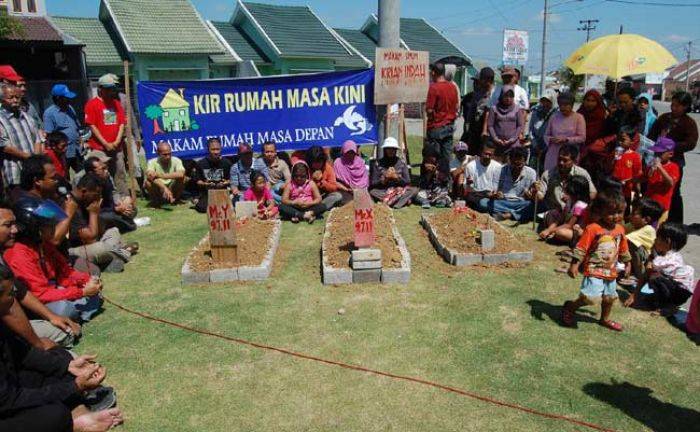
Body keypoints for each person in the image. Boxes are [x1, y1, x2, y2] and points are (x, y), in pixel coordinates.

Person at [0, 265, 124, 432]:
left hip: (10, 390)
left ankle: (78, 413)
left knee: (60, 359)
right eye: (9, 294)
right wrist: (74, 387)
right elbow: (9, 401)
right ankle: (73, 421)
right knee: (54, 416)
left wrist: (67, 366)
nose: (14, 298)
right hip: (6, 403)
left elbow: (24, 354)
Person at [3, 196, 102, 322]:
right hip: (39, 303)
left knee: (92, 290)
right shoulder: (18, 254)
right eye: (47, 225)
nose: (53, 227)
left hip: (54, 291)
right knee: (65, 309)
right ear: (34, 228)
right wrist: (81, 292)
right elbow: (40, 295)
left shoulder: (43, 244)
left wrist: (87, 280)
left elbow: (66, 273)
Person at [0, 202, 81, 349]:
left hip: (43, 301)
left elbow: (21, 291)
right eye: (8, 225)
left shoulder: (40, 245)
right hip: (8, 326)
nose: (15, 230)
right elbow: (12, 308)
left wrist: (52, 317)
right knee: (65, 323)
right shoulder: (18, 252)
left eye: (15, 224)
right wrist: (38, 343)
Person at [562, 190, 631, 331]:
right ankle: (570, 307)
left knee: (609, 298)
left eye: (620, 212)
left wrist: (628, 263)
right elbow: (581, 248)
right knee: (590, 297)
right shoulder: (593, 229)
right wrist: (574, 265)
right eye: (612, 213)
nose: (616, 216)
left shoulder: (620, 229)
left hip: (611, 271)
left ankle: (604, 319)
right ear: (600, 211)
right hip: (594, 270)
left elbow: (623, 248)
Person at [648, 91, 698, 224]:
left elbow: (691, 143)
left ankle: (675, 222)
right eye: (672, 104)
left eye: (677, 106)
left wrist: (672, 146)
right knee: (655, 188)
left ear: (685, 106)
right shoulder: (664, 118)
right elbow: (652, 135)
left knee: (674, 192)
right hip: (658, 158)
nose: (673, 108)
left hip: (675, 161)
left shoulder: (689, 123)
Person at [67, 174, 134, 272]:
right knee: (102, 248)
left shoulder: (85, 201)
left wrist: (96, 213)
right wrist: (93, 214)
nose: (99, 197)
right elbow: (91, 239)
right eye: (97, 193)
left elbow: (101, 231)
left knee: (113, 231)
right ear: (84, 191)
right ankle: (124, 252)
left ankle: (107, 261)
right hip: (73, 250)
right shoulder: (70, 204)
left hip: (91, 246)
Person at [624, 223, 694, 313]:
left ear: (667, 242)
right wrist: (635, 294)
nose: (654, 240)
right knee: (653, 276)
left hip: (680, 293)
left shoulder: (670, 258)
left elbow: (649, 272)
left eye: (657, 238)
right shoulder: (657, 251)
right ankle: (659, 300)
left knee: (655, 277)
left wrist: (649, 263)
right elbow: (646, 275)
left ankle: (670, 305)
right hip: (670, 285)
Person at [83, 74, 128, 196]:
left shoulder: (116, 104)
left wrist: (117, 141)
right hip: (99, 148)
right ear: (100, 89)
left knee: (120, 174)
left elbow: (122, 123)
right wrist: (106, 143)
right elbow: (92, 126)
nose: (110, 92)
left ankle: (124, 198)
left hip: (116, 147)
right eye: (107, 89)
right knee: (101, 175)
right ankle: (106, 199)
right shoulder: (92, 104)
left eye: (112, 89)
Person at [82, 154, 136, 233]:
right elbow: (93, 210)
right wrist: (115, 209)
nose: (106, 170)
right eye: (102, 169)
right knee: (108, 217)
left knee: (132, 209)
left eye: (106, 167)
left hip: (110, 210)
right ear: (91, 172)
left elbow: (110, 198)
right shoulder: (88, 185)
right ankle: (126, 224)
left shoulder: (105, 178)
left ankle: (122, 222)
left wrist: (120, 205)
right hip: (96, 215)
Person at [538, 144, 597, 212]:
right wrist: (536, 193)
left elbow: (593, 193)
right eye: (559, 159)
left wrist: (573, 198)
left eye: (565, 160)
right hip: (553, 213)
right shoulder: (547, 175)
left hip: (575, 212)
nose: (561, 163)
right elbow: (540, 195)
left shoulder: (582, 173)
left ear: (574, 161)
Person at [0, 82, 36, 189]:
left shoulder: (26, 117)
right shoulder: (1, 119)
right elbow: (5, 147)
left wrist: (36, 160)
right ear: (2, 100)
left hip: (32, 168)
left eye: (17, 97)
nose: (15, 100)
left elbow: (37, 139)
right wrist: (30, 157)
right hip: (14, 169)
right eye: (10, 98)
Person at [425, 62, 459, 175]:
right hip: (449, 126)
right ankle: (445, 181)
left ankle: (432, 183)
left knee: (432, 158)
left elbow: (429, 110)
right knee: (446, 158)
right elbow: (457, 106)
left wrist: (431, 116)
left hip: (436, 127)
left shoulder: (434, 87)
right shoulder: (453, 87)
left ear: (433, 72)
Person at [488, 147, 537, 222]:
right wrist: (495, 194)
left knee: (538, 206)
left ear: (525, 162)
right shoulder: (500, 170)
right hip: (503, 201)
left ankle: (507, 215)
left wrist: (532, 193)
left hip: (521, 202)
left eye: (519, 165)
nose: (516, 168)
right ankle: (517, 213)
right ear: (509, 161)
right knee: (484, 202)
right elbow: (493, 191)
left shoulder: (531, 173)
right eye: (514, 164)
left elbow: (532, 196)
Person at [622, 198, 664, 285]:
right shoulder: (632, 225)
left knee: (632, 244)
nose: (630, 215)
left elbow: (624, 238)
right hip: (634, 260)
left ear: (646, 220)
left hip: (646, 264)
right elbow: (620, 231)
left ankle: (639, 277)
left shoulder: (648, 230)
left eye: (634, 213)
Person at [539, 175, 591, 244]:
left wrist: (549, 230)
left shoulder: (580, 205)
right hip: (566, 225)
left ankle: (572, 240)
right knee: (550, 214)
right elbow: (560, 218)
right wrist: (549, 229)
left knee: (560, 233)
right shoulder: (570, 200)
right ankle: (553, 234)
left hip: (576, 231)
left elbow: (569, 225)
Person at [43, 84, 82, 174]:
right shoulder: (49, 113)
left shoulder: (70, 109)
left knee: (82, 174)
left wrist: (80, 139)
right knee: (64, 176)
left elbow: (76, 126)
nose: (69, 99)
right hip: (63, 154)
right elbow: (49, 136)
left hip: (76, 151)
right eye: (66, 97)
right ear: (58, 98)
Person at [369, 138, 417, 209]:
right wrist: (384, 179)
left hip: (398, 190)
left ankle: (390, 202)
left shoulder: (402, 163)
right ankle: (398, 202)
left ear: (396, 150)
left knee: (414, 190)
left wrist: (397, 177)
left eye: (393, 149)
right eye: (388, 149)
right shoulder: (378, 163)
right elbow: (373, 182)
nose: (391, 151)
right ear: (385, 149)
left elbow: (407, 181)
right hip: (383, 191)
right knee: (372, 192)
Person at [543, 92, 586, 172]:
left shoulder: (579, 118)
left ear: (572, 105)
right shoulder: (554, 116)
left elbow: (582, 138)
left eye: (566, 105)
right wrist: (551, 139)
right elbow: (546, 135)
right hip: (553, 153)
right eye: (561, 105)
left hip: (570, 154)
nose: (563, 107)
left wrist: (566, 139)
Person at [644, 137, 680, 225]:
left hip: (661, 207)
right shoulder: (652, 165)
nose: (657, 156)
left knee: (656, 229)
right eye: (655, 153)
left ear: (670, 154)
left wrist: (660, 168)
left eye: (660, 153)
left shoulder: (673, 167)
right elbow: (644, 178)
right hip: (648, 203)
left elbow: (671, 183)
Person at [193, 138, 231, 213]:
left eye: (218, 149)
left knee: (227, 206)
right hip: (208, 193)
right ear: (208, 149)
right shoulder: (201, 163)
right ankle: (198, 200)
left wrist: (225, 183)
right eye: (213, 149)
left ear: (221, 149)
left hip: (222, 192)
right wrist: (205, 184)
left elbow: (231, 179)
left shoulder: (227, 163)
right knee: (202, 208)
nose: (216, 152)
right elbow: (198, 181)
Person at [463, 67, 496, 155]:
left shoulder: (495, 94)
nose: (479, 82)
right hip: (475, 130)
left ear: (489, 80)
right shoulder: (478, 93)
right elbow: (471, 112)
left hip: (489, 130)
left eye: (481, 79)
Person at [487, 85, 525, 160]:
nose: (508, 98)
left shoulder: (517, 109)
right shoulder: (494, 109)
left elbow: (520, 125)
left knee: (512, 164)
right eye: (506, 96)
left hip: (513, 144)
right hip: (497, 144)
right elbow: (490, 125)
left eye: (511, 96)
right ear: (501, 96)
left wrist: (512, 139)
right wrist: (495, 138)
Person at [464, 142, 502, 210]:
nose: (487, 156)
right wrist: (485, 194)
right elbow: (469, 189)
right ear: (481, 153)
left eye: (490, 155)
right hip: (477, 195)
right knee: (481, 202)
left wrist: (495, 194)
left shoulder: (498, 167)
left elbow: (497, 186)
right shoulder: (471, 166)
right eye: (486, 154)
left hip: (492, 196)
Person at [145, 141, 185, 207]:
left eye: (169, 154)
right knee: (148, 183)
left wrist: (161, 175)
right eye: (165, 154)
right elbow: (150, 176)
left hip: (172, 186)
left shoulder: (176, 160)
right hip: (159, 187)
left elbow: (181, 174)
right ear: (158, 153)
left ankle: (175, 199)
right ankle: (156, 201)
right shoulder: (152, 162)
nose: (168, 157)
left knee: (183, 179)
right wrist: (164, 188)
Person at [611, 126, 643, 209]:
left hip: (626, 190)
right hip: (613, 187)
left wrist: (638, 192)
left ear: (632, 142)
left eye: (623, 140)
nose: (620, 142)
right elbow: (609, 168)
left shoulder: (635, 156)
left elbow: (637, 176)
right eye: (619, 139)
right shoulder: (614, 152)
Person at [306, 145, 343, 209]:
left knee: (338, 196)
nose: (317, 164)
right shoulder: (305, 168)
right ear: (310, 161)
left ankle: (318, 208)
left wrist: (322, 182)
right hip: (307, 197)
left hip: (323, 197)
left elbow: (334, 187)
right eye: (314, 162)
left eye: (319, 162)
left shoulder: (328, 168)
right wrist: (313, 180)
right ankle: (317, 208)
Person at [529, 90, 558, 170]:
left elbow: (555, 132)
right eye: (543, 101)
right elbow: (531, 130)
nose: (545, 103)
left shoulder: (557, 114)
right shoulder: (536, 111)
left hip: (549, 148)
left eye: (548, 101)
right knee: (533, 169)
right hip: (535, 147)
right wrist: (534, 144)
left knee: (547, 171)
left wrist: (545, 147)